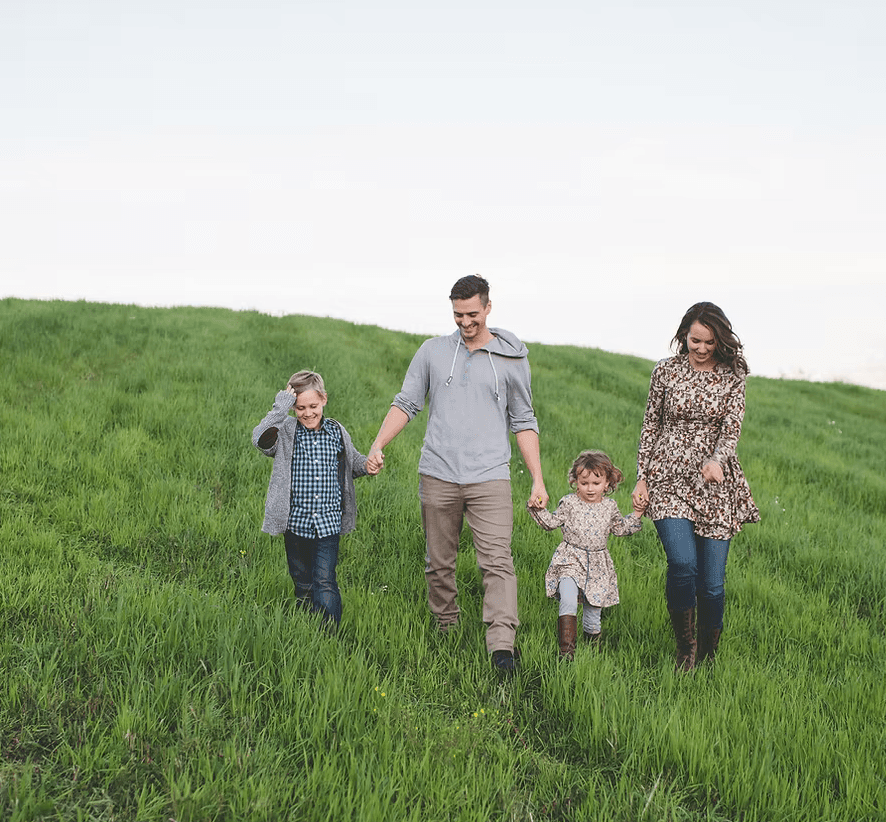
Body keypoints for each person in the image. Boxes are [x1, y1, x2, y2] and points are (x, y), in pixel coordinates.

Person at [367, 274, 547, 673]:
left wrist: (537, 478)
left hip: (490, 476)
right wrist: (379, 444)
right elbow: (407, 402)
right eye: (457, 315)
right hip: (439, 473)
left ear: (487, 308)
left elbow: (523, 419)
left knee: (498, 561)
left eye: (472, 315)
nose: (465, 323)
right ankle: (446, 626)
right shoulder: (432, 352)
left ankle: (502, 648)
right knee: (438, 561)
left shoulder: (512, 358)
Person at [632, 302, 760, 671]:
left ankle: (708, 653)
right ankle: (685, 647)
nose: (701, 349)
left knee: (712, 584)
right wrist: (642, 475)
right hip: (667, 475)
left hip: (715, 482)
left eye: (709, 342)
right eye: (694, 340)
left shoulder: (733, 374)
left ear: (720, 341)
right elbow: (650, 425)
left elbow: (731, 427)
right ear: (684, 335)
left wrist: (717, 460)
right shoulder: (666, 371)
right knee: (682, 562)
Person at [253, 370, 375, 628]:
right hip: (295, 524)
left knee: (325, 580)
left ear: (324, 400)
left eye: (313, 406)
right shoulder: (286, 431)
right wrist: (280, 408)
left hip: (328, 526)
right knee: (302, 582)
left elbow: (352, 463)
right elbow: (260, 440)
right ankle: (306, 627)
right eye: (299, 407)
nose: (307, 413)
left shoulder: (336, 432)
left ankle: (329, 633)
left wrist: (368, 465)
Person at [528, 450, 643, 659]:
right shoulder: (569, 503)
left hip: (598, 564)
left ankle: (592, 653)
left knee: (592, 616)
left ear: (607, 483)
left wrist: (636, 514)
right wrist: (537, 508)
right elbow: (551, 523)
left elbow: (619, 529)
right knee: (569, 599)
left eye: (596, 483)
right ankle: (566, 653)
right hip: (570, 559)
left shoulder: (610, 507)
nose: (590, 488)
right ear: (575, 482)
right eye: (584, 483)